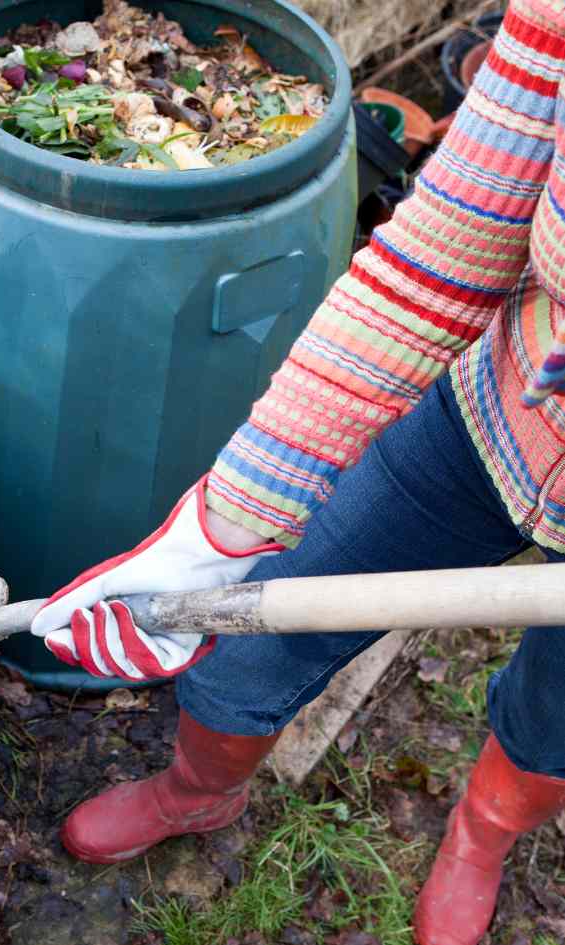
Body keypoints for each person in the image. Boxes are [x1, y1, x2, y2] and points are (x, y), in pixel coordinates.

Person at [28, 1, 565, 942]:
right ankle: (198, 792)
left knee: (551, 726)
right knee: (254, 638)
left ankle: (479, 838)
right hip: (504, 415)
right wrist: (219, 527)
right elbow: (442, 253)